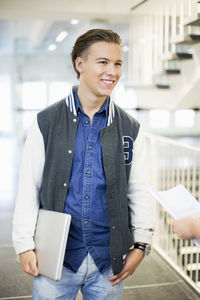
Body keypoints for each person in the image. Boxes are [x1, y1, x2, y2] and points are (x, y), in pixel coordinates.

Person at [12, 28, 154, 300]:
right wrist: (23, 244)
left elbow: (138, 190)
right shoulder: (46, 122)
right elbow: (29, 186)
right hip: (55, 255)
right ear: (80, 64)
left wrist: (141, 244)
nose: (112, 71)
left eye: (117, 63)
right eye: (103, 62)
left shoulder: (130, 128)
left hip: (108, 261)